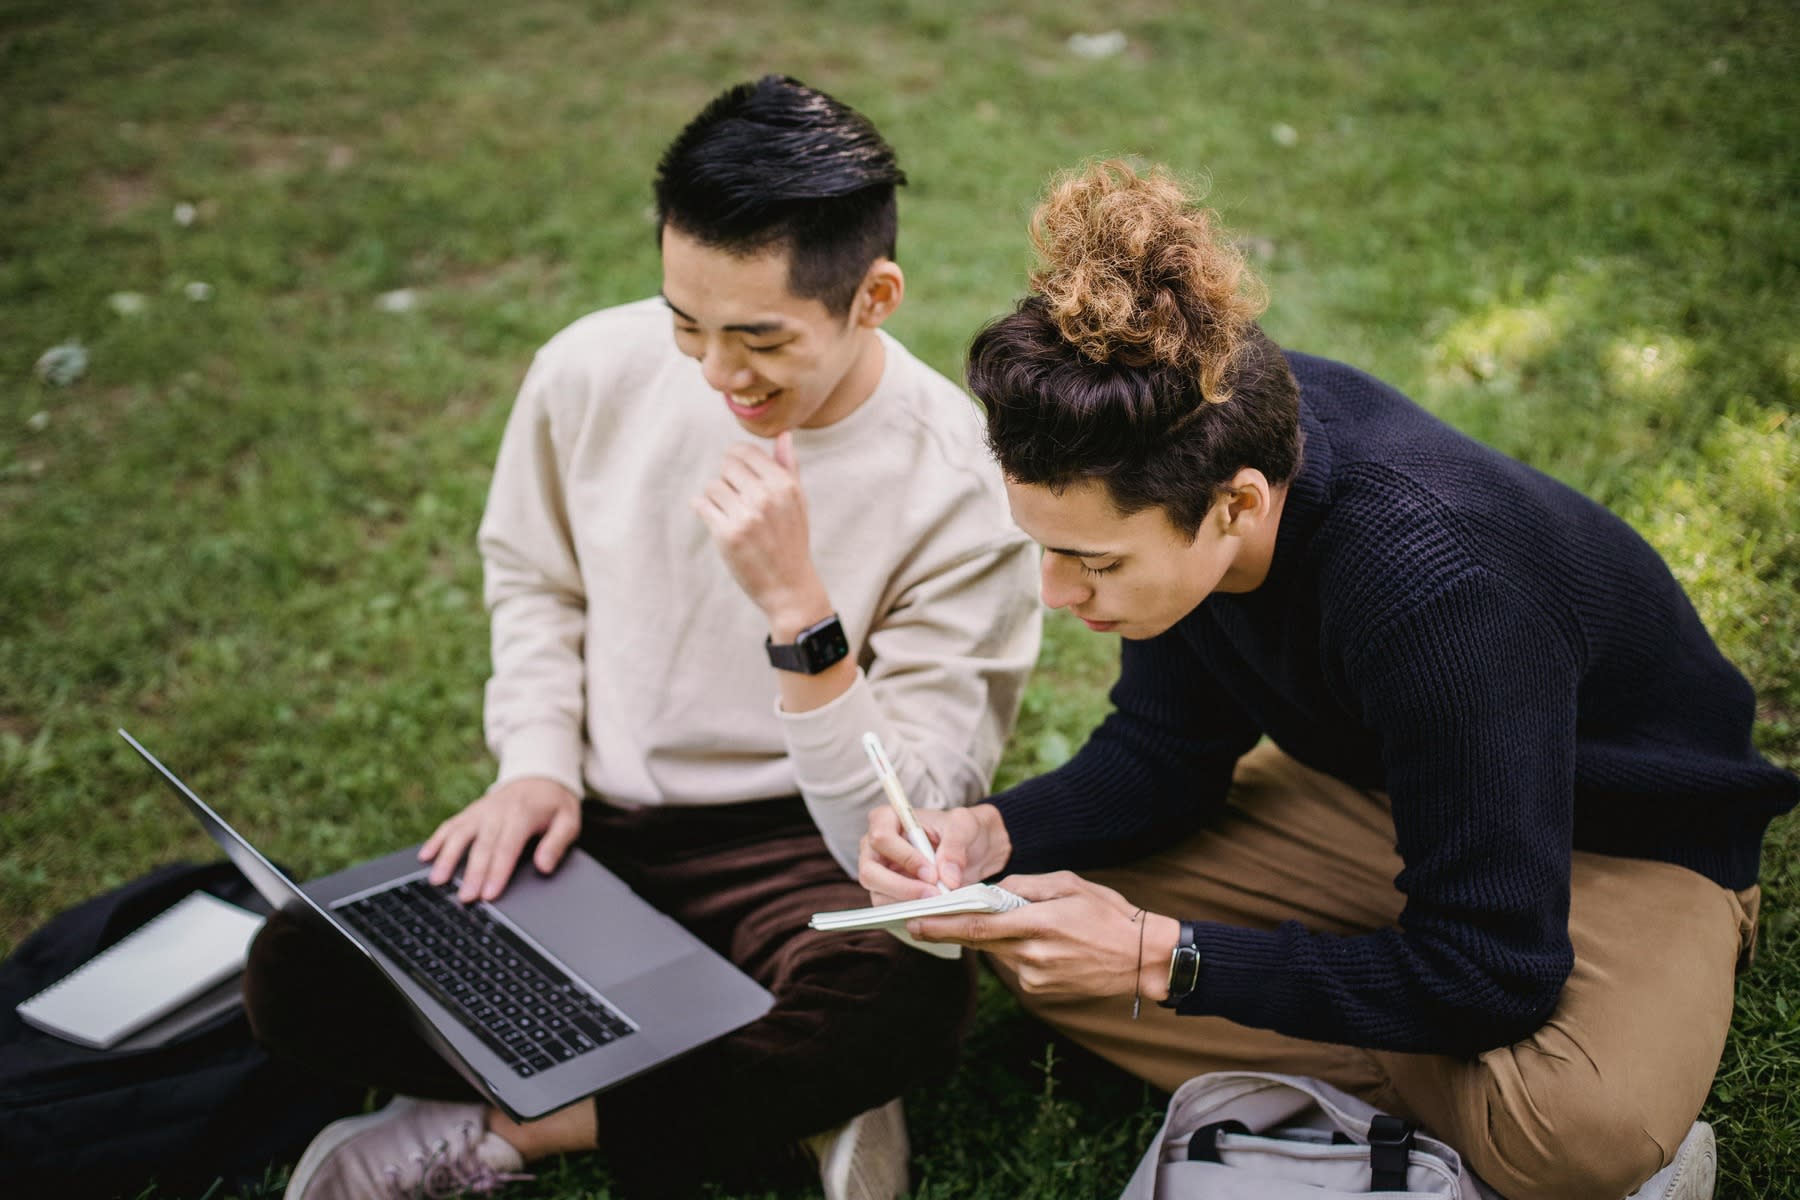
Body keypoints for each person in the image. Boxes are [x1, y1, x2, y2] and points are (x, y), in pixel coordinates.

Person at [859, 161, 1798, 1200]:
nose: (1057, 592)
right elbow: (1166, 754)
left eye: (1096, 561)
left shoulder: (1440, 593)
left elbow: (1495, 973)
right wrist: (992, 835)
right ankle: (1408, 1034)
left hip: (1628, 841)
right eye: (1045, 548)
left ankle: (1434, 1045)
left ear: (1238, 505)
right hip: (1380, 794)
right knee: (1024, 927)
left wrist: (1159, 962)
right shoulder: (1188, 434)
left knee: (1574, 1132)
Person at [245, 76, 1042, 1200]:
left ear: (876, 298)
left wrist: (801, 615)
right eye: (687, 325)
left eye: (759, 338)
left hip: (804, 855)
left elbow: (904, 826)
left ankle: (521, 1126)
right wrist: (534, 764)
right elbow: (534, 577)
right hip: (603, 828)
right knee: (299, 973)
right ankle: (762, 1100)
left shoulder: (962, 483)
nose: (718, 375)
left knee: (904, 993)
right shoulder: (589, 369)